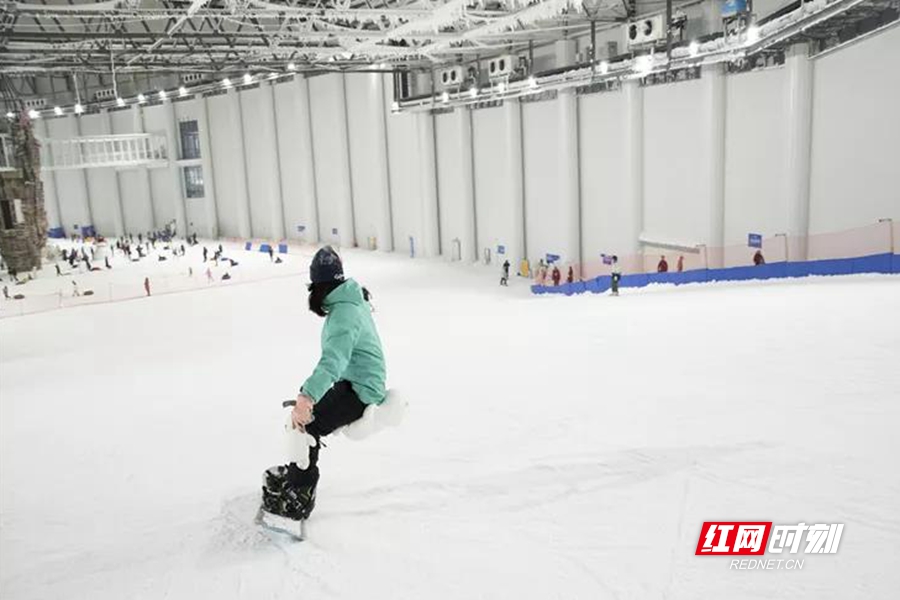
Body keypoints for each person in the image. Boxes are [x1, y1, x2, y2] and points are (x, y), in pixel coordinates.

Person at [263, 246, 387, 521]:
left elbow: (333, 360)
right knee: (305, 422)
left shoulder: (344, 313)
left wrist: (307, 398)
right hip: (357, 382)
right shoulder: (349, 301)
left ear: (318, 288)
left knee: (308, 426)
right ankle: (297, 476)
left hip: (361, 390)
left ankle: (299, 498)